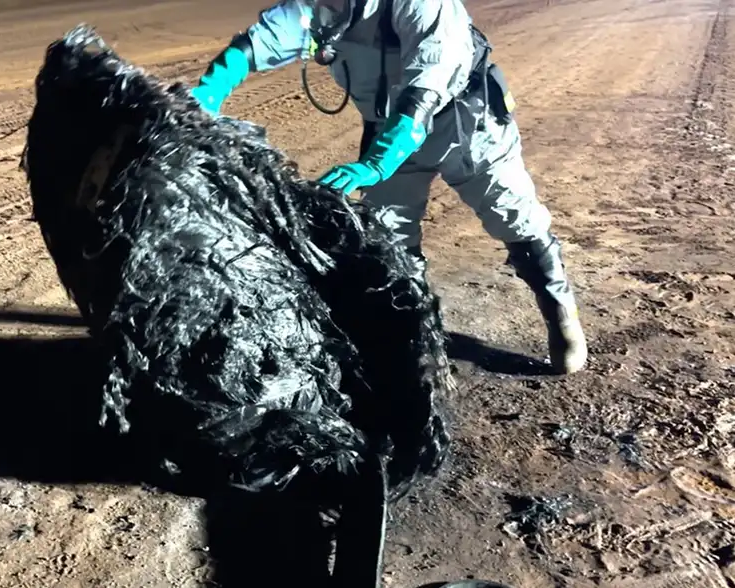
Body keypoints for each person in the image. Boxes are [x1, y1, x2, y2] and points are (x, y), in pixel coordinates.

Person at [187, 0, 588, 374]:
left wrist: (379, 162)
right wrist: (210, 91)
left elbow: (429, 82)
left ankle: (559, 312)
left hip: (464, 121)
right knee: (389, 239)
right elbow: (266, 38)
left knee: (512, 214)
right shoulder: (325, 7)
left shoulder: (423, 6)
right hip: (387, 128)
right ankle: (416, 336)